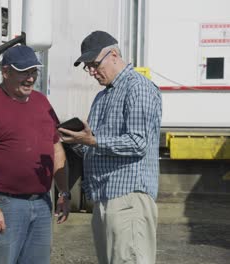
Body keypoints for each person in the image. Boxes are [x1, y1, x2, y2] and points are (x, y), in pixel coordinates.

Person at [58, 31, 162, 264]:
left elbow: (138, 143)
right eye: (87, 67)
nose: (92, 72)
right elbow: (95, 145)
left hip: (129, 200)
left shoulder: (138, 88)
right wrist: (74, 142)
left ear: (113, 54)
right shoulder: (102, 97)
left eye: (95, 65)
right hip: (105, 198)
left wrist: (93, 141)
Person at [0, 45, 71, 264]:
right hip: (7, 205)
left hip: (41, 204)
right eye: (24, 72)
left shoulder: (42, 103)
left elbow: (56, 149)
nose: (30, 79)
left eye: (33, 72)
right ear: (5, 72)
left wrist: (64, 193)